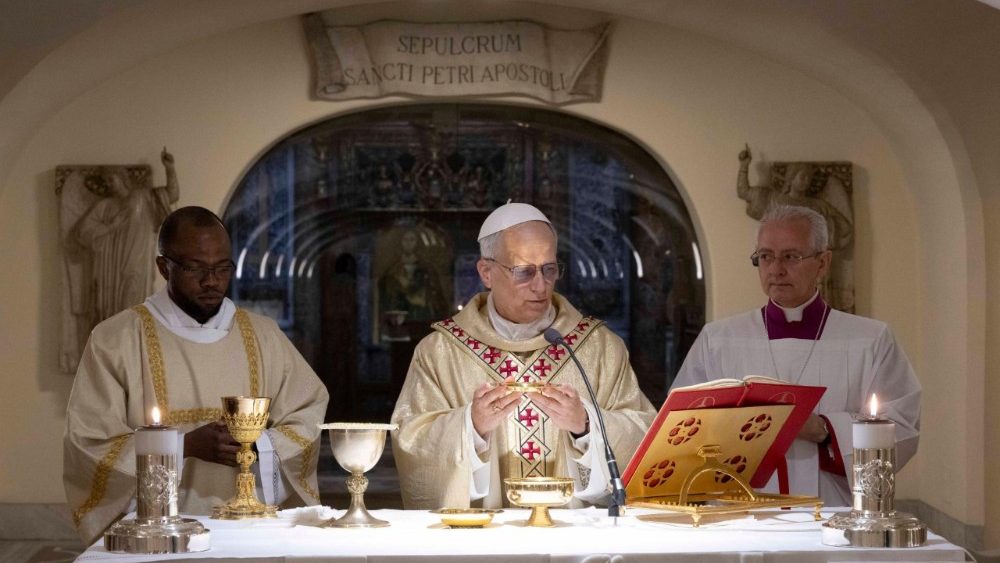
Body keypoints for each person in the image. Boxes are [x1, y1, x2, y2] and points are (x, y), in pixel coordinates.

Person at [64, 206, 329, 544]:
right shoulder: (116, 340)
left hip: (249, 532)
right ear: (164, 267)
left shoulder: (264, 337)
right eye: (195, 268)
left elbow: (307, 412)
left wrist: (257, 445)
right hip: (157, 537)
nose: (211, 281)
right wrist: (183, 446)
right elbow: (89, 444)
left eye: (222, 268)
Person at [391, 202, 655, 509]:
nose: (540, 286)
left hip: (573, 533)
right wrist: (470, 426)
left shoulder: (599, 348)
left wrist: (585, 424)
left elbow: (646, 436)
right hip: (484, 534)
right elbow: (412, 440)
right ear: (486, 272)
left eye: (549, 269)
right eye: (524, 272)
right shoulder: (440, 352)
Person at [672, 204, 920, 505]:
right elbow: (681, 425)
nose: (776, 269)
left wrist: (826, 429)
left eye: (791, 256)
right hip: (740, 511)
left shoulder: (870, 339)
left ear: (823, 262)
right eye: (766, 256)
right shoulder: (718, 339)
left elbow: (901, 425)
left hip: (833, 512)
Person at [73, 149, 180, 327]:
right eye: (106, 181)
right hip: (111, 270)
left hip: (137, 265)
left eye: (112, 179)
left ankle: (132, 343)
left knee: (133, 311)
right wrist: (109, 228)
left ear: (123, 178)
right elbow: (82, 233)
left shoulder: (144, 198)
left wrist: (169, 168)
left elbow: (172, 194)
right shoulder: (105, 206)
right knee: (111, 314)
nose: (109, 184)